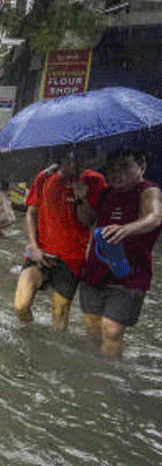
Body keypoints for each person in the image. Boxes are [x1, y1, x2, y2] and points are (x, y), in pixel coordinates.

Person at [13, 145, 107, 331]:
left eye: (81, 158)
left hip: (72, 258)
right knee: (20, 307)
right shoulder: (45, 177)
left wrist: (82, 198)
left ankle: (52, 352)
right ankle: (31, 336)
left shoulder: (95, 181)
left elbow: (89, 221)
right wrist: (34, 247)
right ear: (62, 156)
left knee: (59, 316)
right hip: (40, 253)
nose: (75, 163)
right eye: (70, 158)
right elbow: (31, 213)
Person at [79, 149, 162, 357]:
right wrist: (81, 199)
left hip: (129, 275)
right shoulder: (107, 192)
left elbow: (154, 217)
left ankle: (108, 379)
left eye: (124, 166)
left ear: (141, 166)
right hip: (96, 271)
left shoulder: (149, 190)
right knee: (93, 330)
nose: (117, 173)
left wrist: (127, 228)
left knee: (112, 330)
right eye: (112, 169)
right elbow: (87, 222)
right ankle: (97, 371)